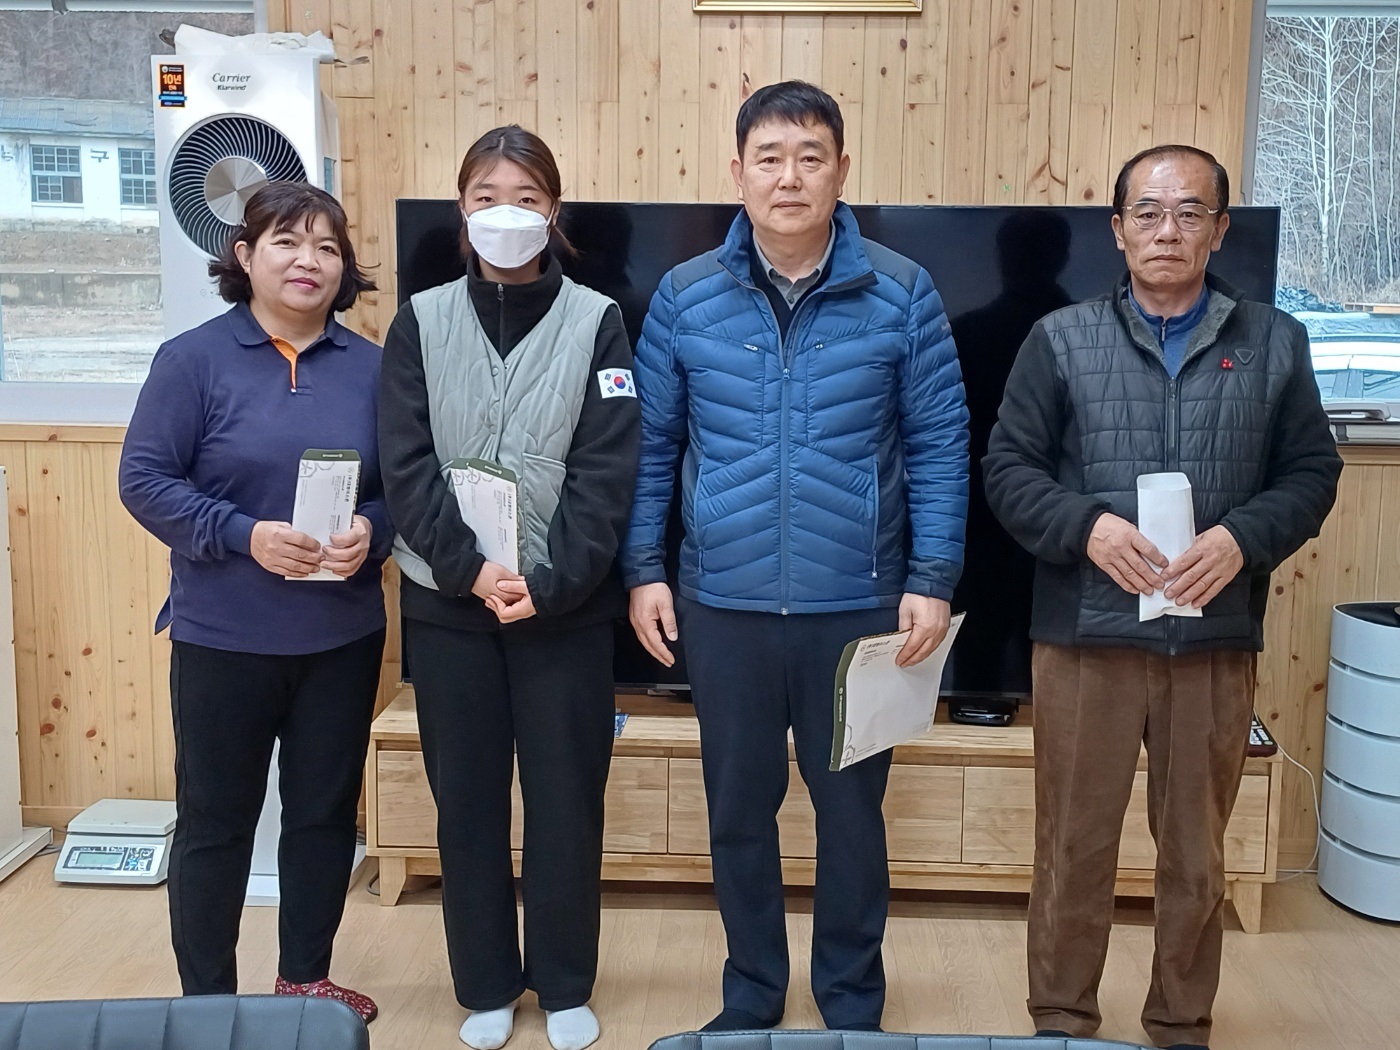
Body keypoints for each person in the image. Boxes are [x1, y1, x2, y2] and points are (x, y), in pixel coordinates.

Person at [622, 80, 969, 1033]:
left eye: (810, 157)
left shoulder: (902, 291)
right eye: (769, 158)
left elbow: (941, 444)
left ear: (841, 170)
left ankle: (852, 1003)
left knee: (852, 817)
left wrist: (931, 579)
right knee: (738, 813)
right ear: (737, 173)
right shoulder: (686, 296)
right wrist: (644, 569)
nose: (789, 178)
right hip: (723, 604)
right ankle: (751, 997)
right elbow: (651, 445)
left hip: (857, 607)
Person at [983, 144, 1343, 1050]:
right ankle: (1062, 1022)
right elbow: (1008, 469)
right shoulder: (1060, 339)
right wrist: (1087, 527)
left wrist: (1242, 538)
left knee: (1196, 856)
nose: (1167, 230)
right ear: (1117, 230)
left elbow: (1311, 473)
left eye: (1190, 212)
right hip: (1085, 638)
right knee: (1073, 848)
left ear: (1219, 230)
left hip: (1212, 640)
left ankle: (1181, 1025)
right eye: (1147, 212)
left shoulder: (1274, 340)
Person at [378, 125, 640, 1050]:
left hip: (564, 608)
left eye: (526, 198)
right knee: (468, 803)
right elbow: (404, 461)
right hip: (447, 605)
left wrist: (550, 580)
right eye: (487, 196)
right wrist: (471, 569)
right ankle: (487, 983)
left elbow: (609, 467)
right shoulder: (419, 320)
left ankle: (564, 984)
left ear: (553, 211)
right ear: (462, 209)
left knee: (568, 803)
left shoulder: (598, 320)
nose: (506, 214)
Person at [119, 182, 388, 1021]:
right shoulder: (193, 360)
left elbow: (404, 491)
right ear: (245, 255)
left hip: (341, 637)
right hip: (224, 637)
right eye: (287, 242)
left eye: (327, 247)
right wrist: (244, 535)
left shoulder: (375, 368)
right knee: (216, 822)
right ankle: (207, 1003)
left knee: (323, 816)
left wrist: (372, 533)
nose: (309, 261)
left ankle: (305, 981)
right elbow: (144, 480)